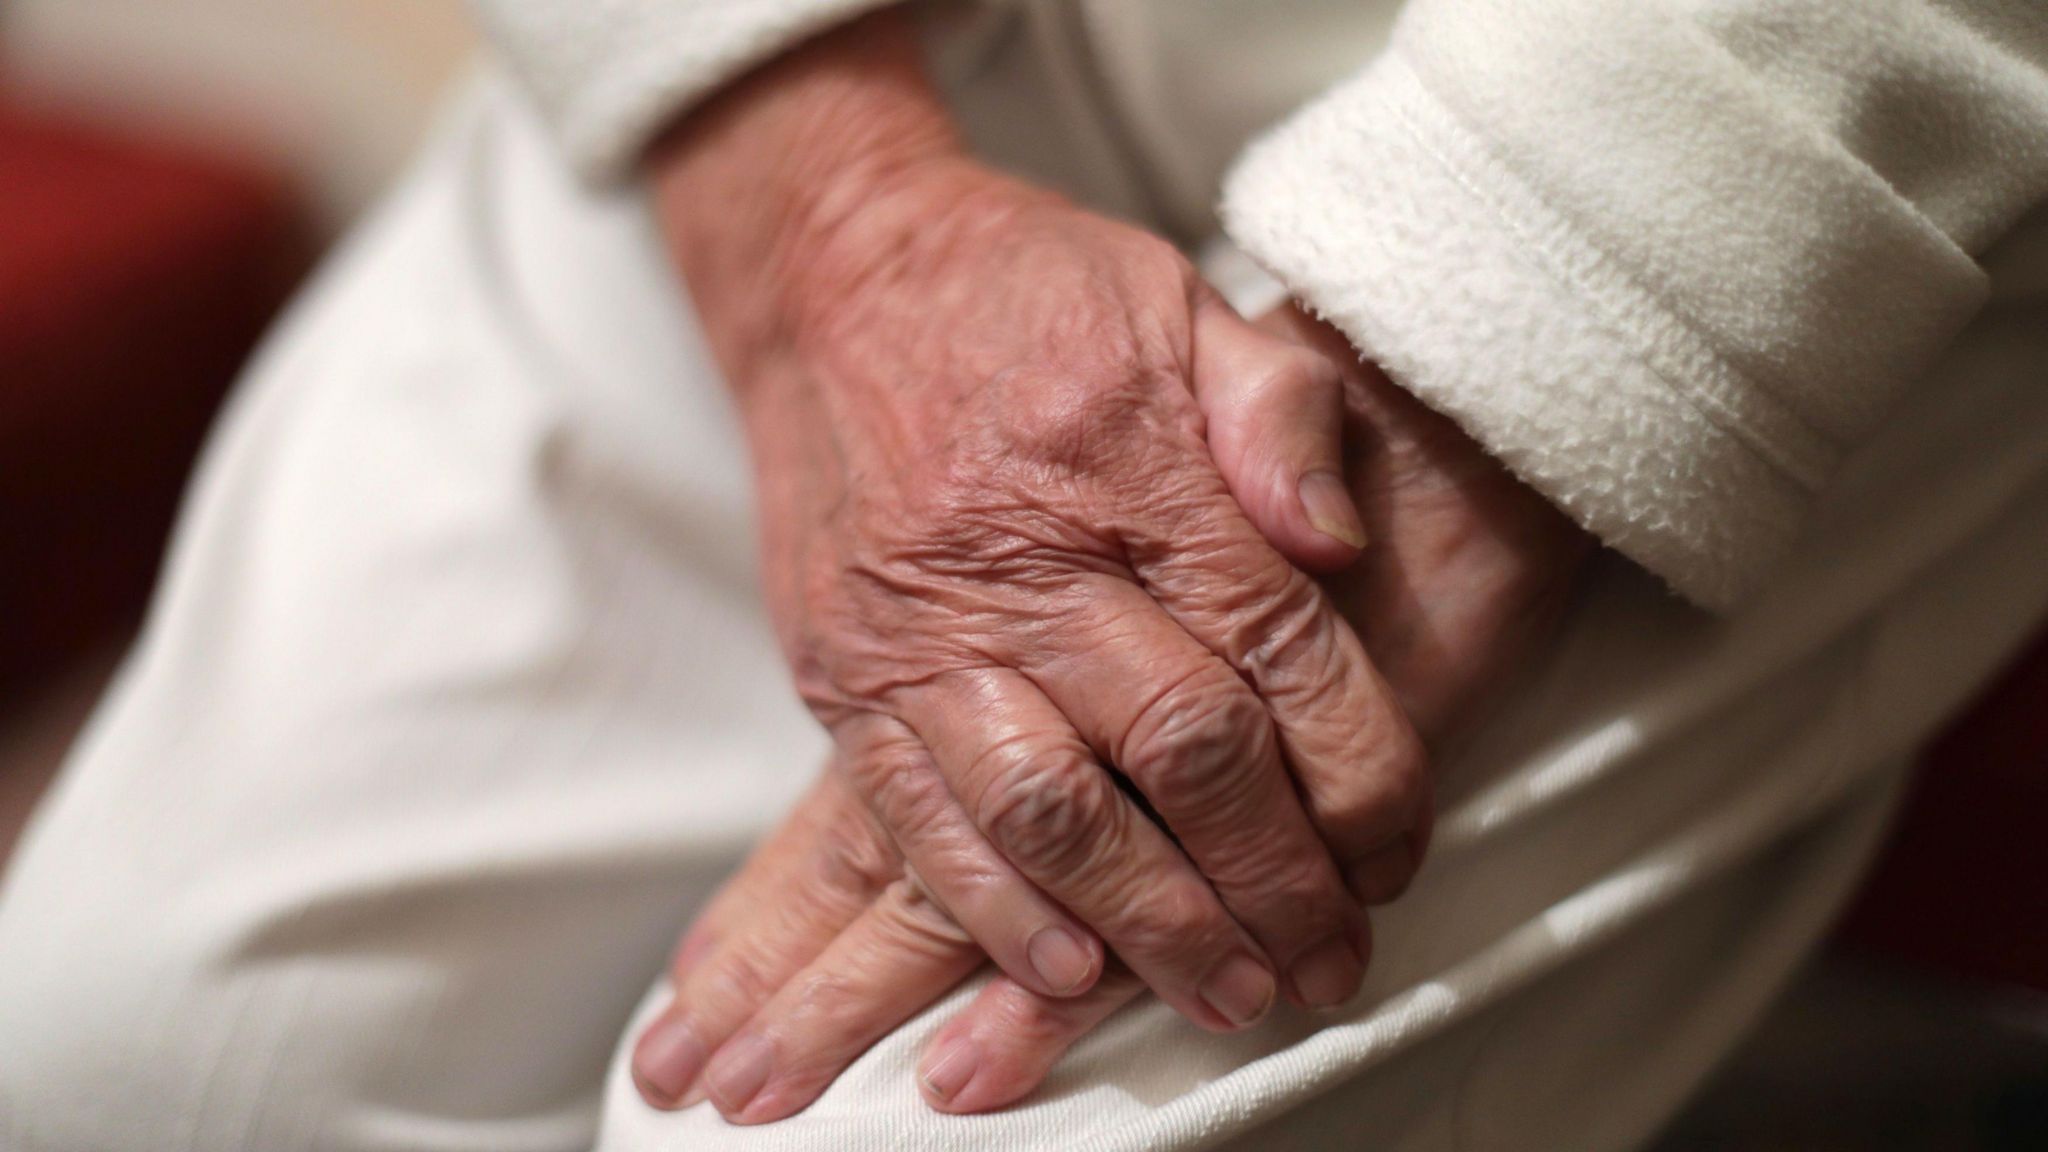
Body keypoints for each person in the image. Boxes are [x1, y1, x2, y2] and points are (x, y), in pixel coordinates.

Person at [2, 1, 2045, 1150]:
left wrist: (1527, 331)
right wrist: (818, 211)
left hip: (1695, 94)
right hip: (800, 61)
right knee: (140, 1069)